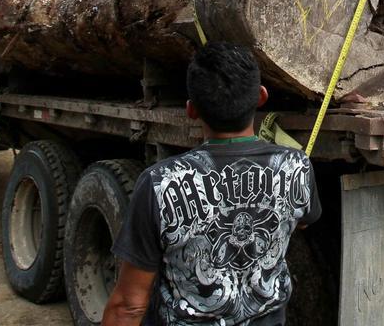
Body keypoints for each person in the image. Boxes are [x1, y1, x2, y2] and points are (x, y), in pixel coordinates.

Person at [103, 42, 321, 326]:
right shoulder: (297, 167)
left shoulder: (159, 184)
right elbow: (302, 220)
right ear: (261, 97)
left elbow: (128, 307)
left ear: (191, 110)